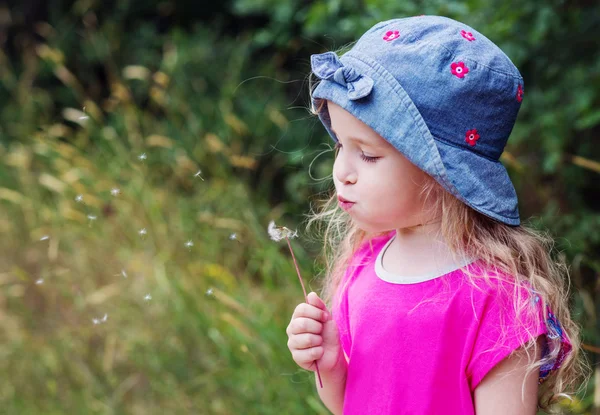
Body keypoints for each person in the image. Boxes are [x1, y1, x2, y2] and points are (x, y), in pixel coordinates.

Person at [285, 15, 586, 414]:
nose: (341, 171)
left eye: (369, 154)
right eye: (340, 145)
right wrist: (331, 366)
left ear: (442, 172)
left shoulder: (494, 301)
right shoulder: (362, 267)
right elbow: (352, 403)